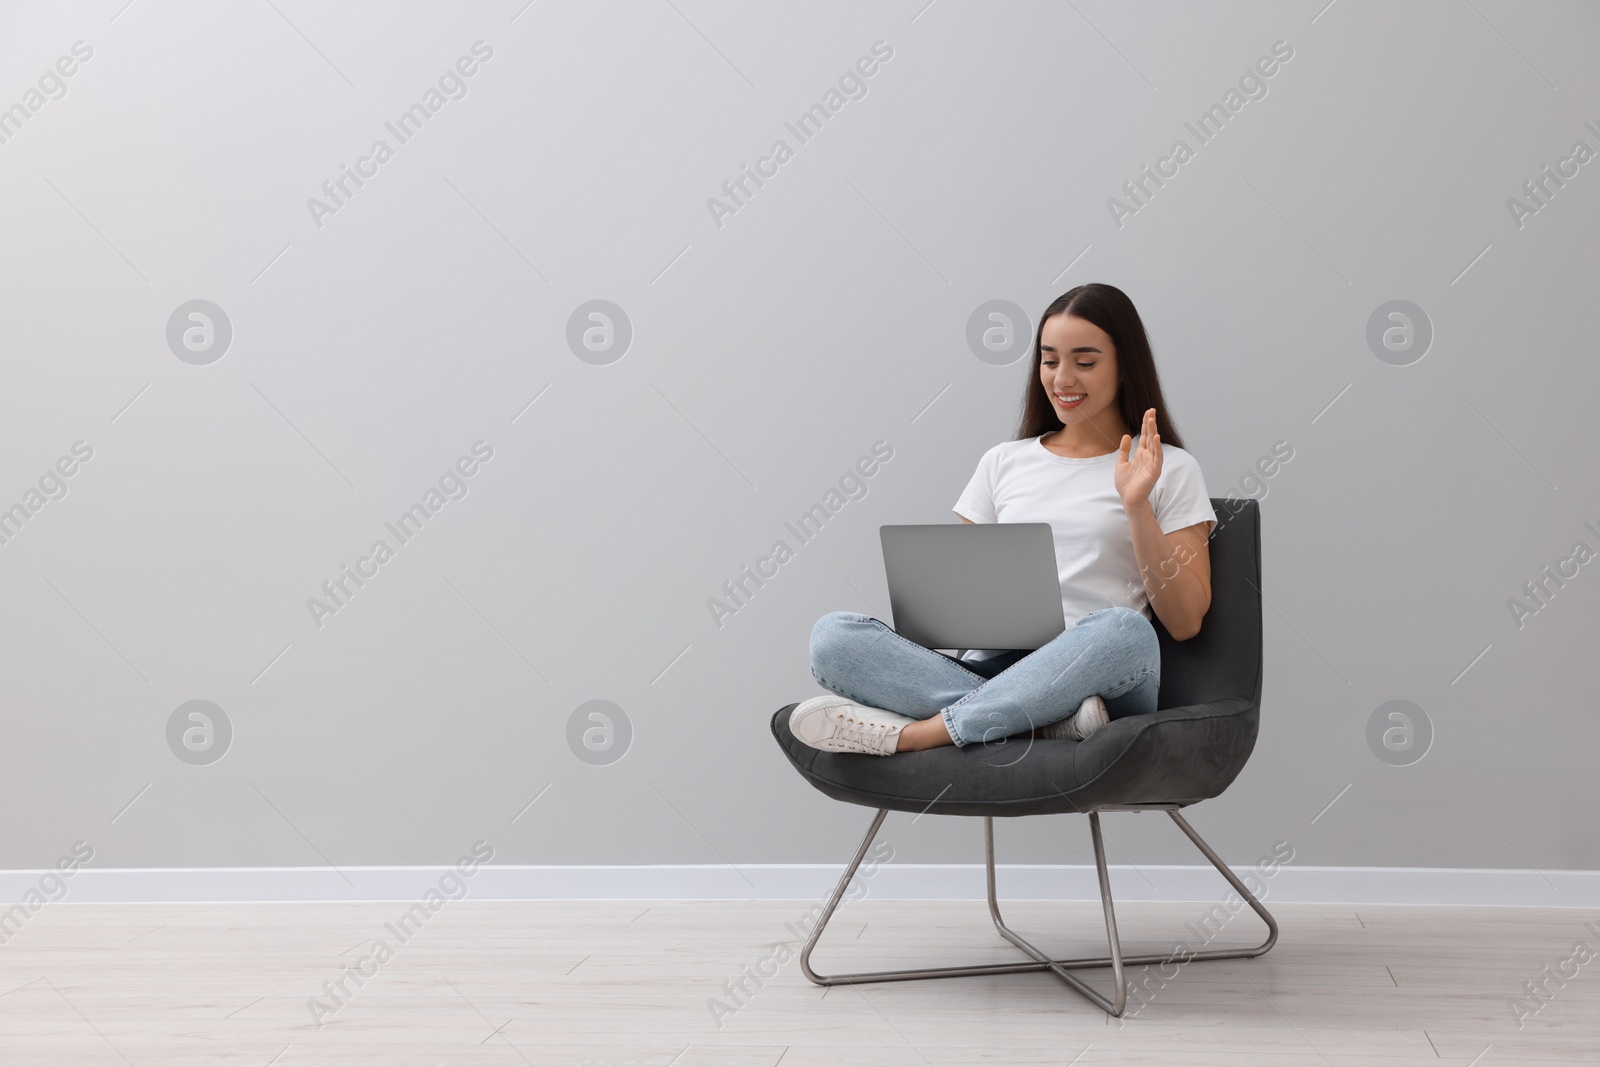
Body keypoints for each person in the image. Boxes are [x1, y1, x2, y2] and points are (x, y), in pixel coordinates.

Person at [791, 283, 1217, 757]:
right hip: (993, 671)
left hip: (1098, 675)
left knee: (1124, 631)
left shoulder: (1170, 468)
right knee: (833, 637)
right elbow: (971, 608)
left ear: (1124, 367)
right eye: (1050, 360)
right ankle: (1045, 722)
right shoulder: (1003, 462)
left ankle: (920, 734)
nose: (1062, 379)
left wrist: (1136, 506)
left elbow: (1184, 622)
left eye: (1086, 361)